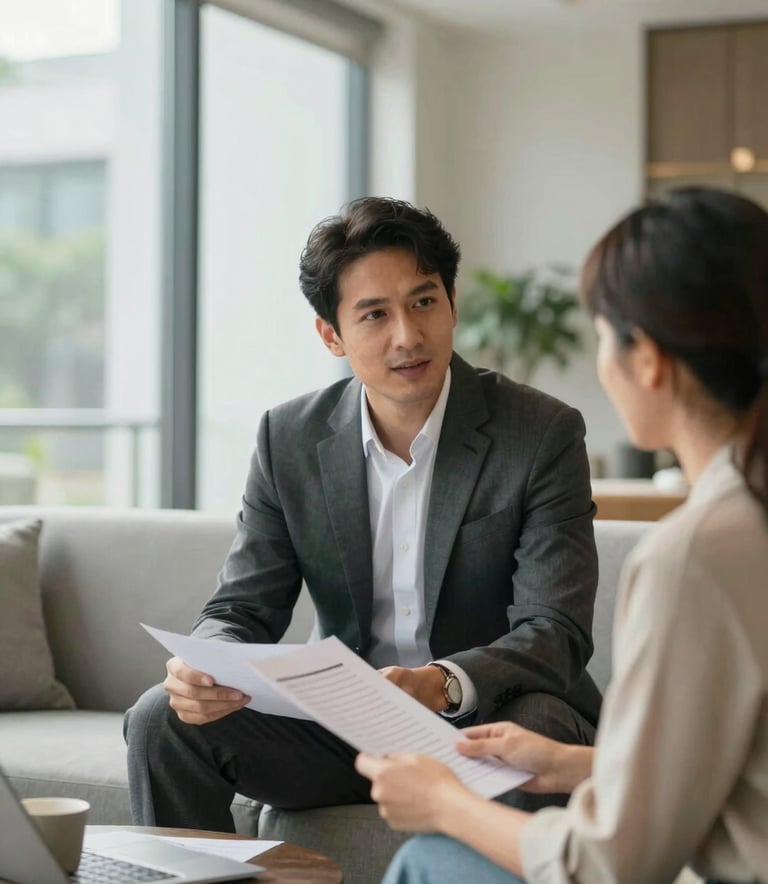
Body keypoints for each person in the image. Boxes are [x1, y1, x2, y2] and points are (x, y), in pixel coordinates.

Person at [124, 196, 601, 831]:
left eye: (424, 301)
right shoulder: (287, 437)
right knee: (164, 718)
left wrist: (438, 682)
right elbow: (241, 607)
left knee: (536, 724)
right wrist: (206, 664)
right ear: (331, 334)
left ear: (453, 304)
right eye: (374, 314)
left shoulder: (540, 432)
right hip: (346, 729)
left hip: (491, 720)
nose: (408, 335)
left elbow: (554, 631)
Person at [357, 186, 768, 883]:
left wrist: (446, 803)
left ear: (649, 360)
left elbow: (610, 865)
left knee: (429, 859)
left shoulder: (694, 556)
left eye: (602, 335)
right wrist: (577, 762)